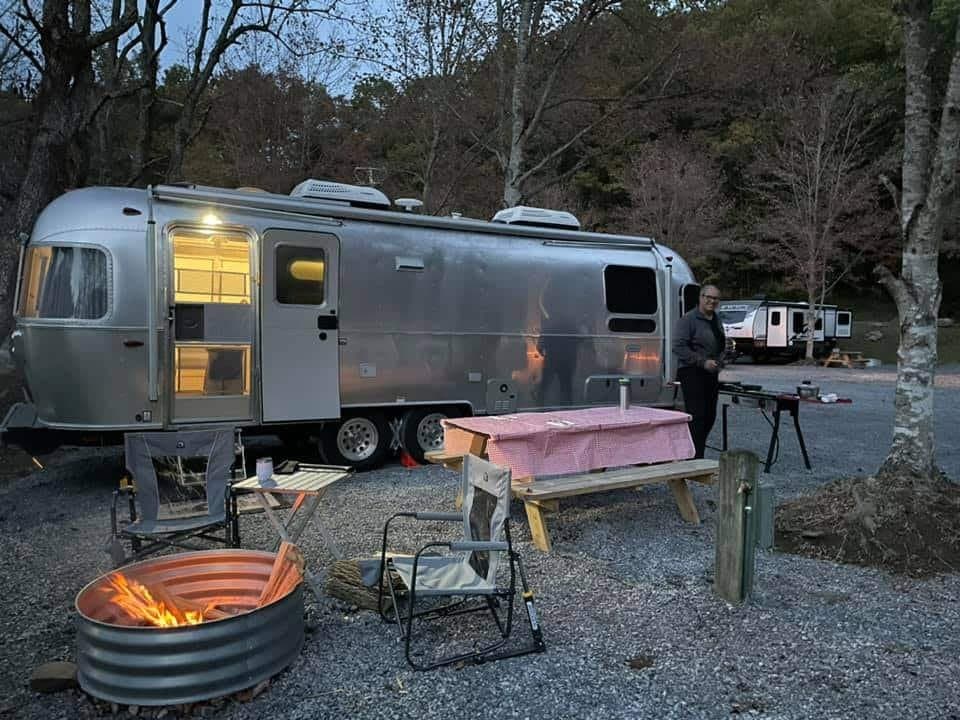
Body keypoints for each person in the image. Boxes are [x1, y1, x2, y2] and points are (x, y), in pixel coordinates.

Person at [673, 285, 726, 459]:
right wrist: (702, 362)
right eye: (708, 297)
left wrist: (721, 359)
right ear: (701, 297)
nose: (712, 301)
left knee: (710, 416)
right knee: (698, 416)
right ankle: (694, 459)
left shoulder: (716, 319)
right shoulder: (688, 319)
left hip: (710, 373)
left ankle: (695, 453)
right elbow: (678, 346)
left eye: (716, 298)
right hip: (692, 373)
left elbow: (719, 344)